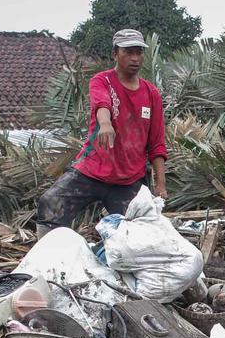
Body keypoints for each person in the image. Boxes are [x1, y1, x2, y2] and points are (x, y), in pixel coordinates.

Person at [35, 29, 168, 236]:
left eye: (138, 53)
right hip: (92, 171)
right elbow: (101, 103)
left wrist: (160, 185)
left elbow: (157, 144)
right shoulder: (102, 81)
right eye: (128, 52)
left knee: (141, 233)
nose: (135, 58)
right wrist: (105, 124)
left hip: (129, 181)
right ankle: (47, 258)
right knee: (51, 202)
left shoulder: (151, 94)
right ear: (115, 54)